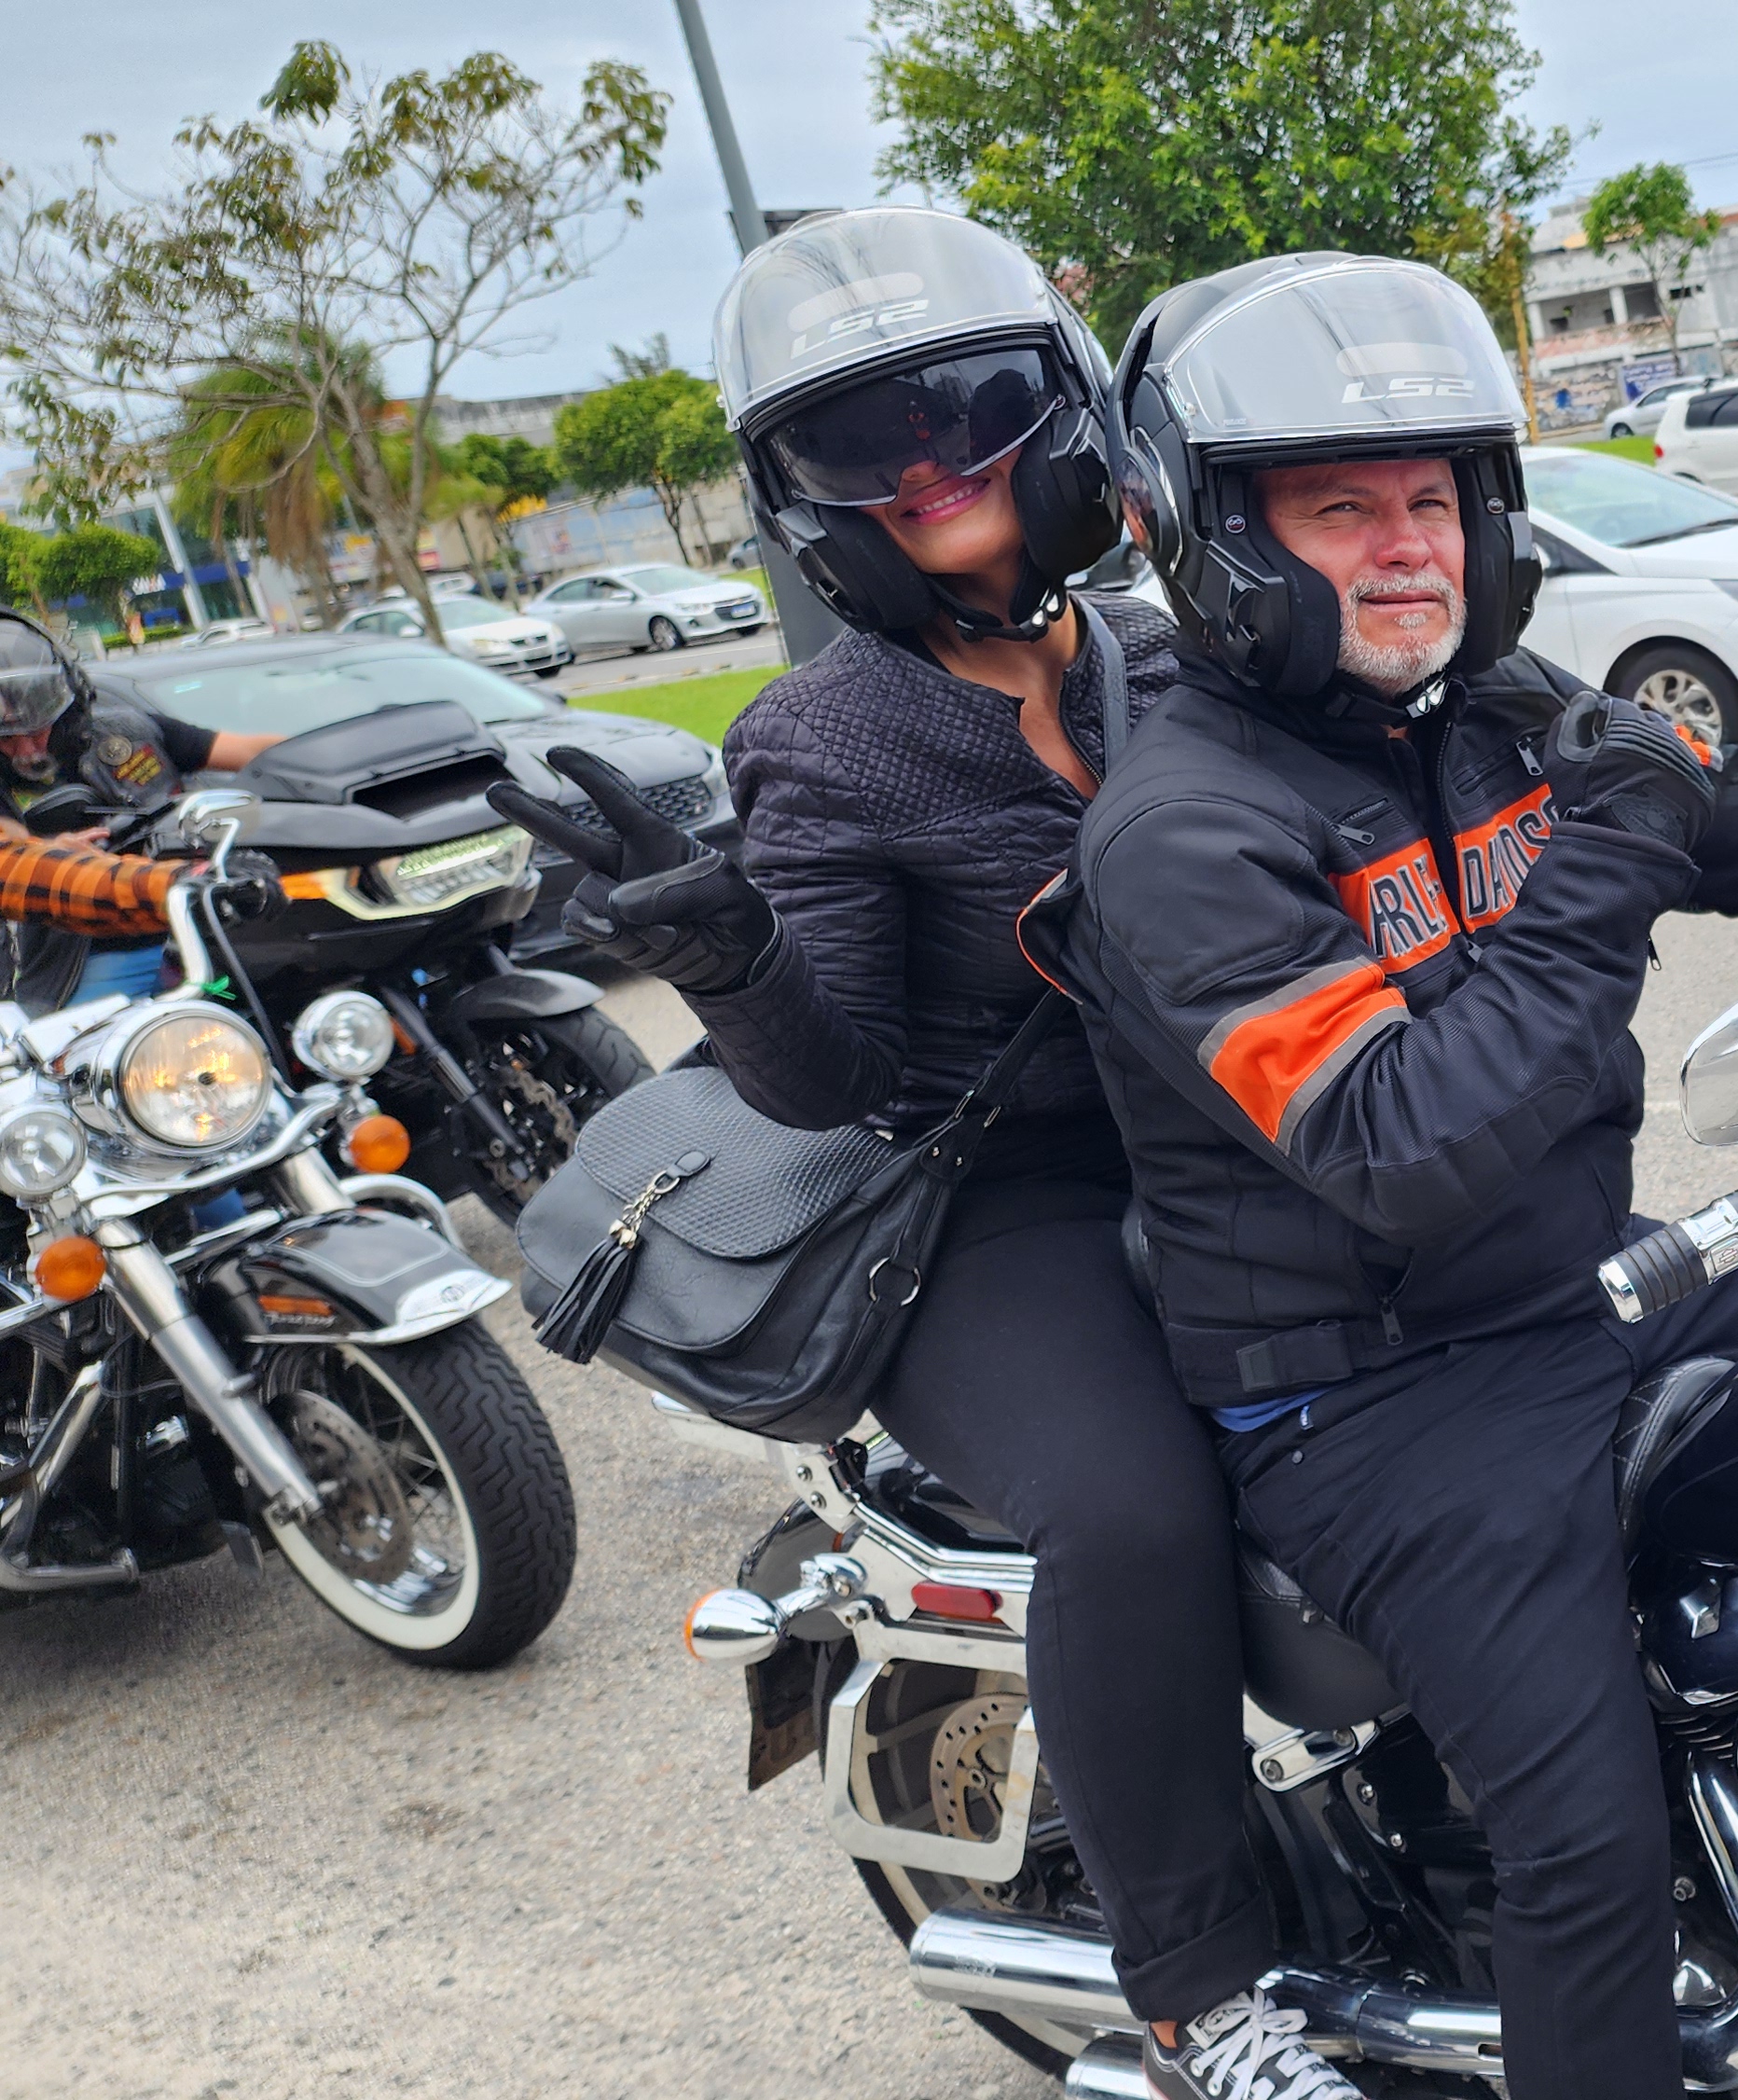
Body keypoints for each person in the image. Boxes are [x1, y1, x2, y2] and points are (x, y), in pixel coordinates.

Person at [1029, 255, 1738, 2100]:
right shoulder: (1180, 834)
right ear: (1218, 539)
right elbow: (1402, 1145)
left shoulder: (1481, 709)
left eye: (1430, 499)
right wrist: (1613, 860)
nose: (1407, 549)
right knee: (1584, 1840)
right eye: (1339, 510)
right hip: (1371, 1390)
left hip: (1594, 1281)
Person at [478, 209, 1358, 2100]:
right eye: (859, 440)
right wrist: (720, 942)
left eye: (967, 406)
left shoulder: (1174, 658)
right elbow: (832, 1077)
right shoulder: (824, 737)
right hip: (998, 1204)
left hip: (1238, 1144)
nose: (928, 464)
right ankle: (1203, 1998)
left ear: (1065, 416)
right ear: (799, 499)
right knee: (1132, 1508)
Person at [0, 610, 283, 1003]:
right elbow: (17, 858)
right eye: (7, 739)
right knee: (101, 1034)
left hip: (207, 913)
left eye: (36, 730)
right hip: (87, 951)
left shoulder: (128, 732)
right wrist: (54, 849)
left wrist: (330, 758)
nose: (27, 749)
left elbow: (253, 752)